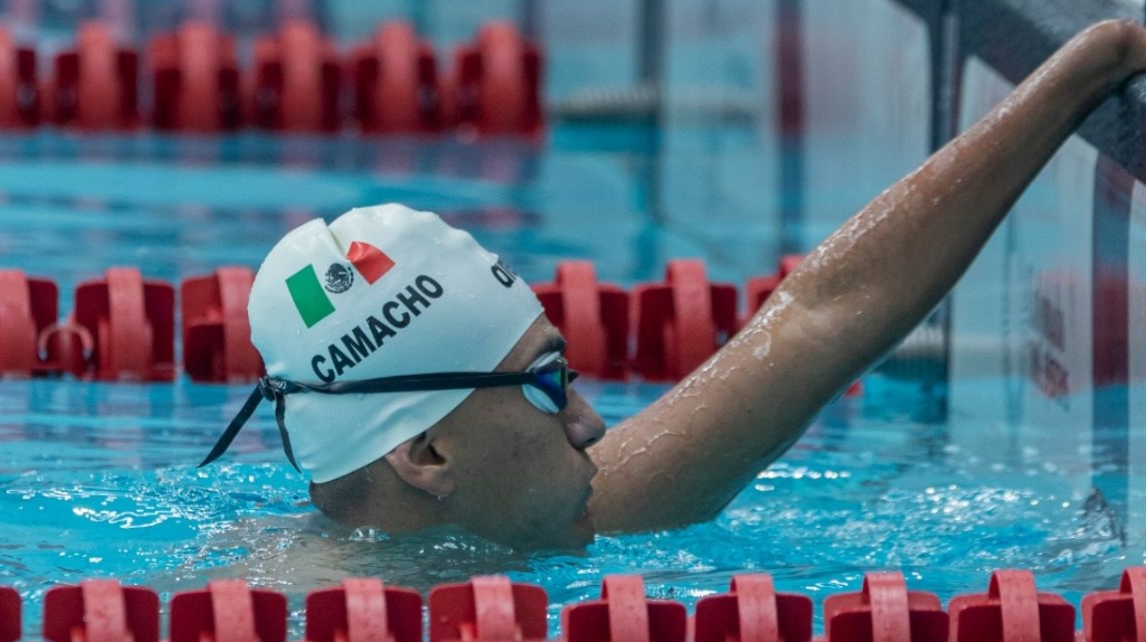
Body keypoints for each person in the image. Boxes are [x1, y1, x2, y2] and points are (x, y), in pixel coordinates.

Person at [204, 19, 1146, 550]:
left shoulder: (528, 512)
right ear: (427, 458)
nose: (592, 423)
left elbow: (821, 318)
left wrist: (1088, 66)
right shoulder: (263, 628)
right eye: (544, 386)